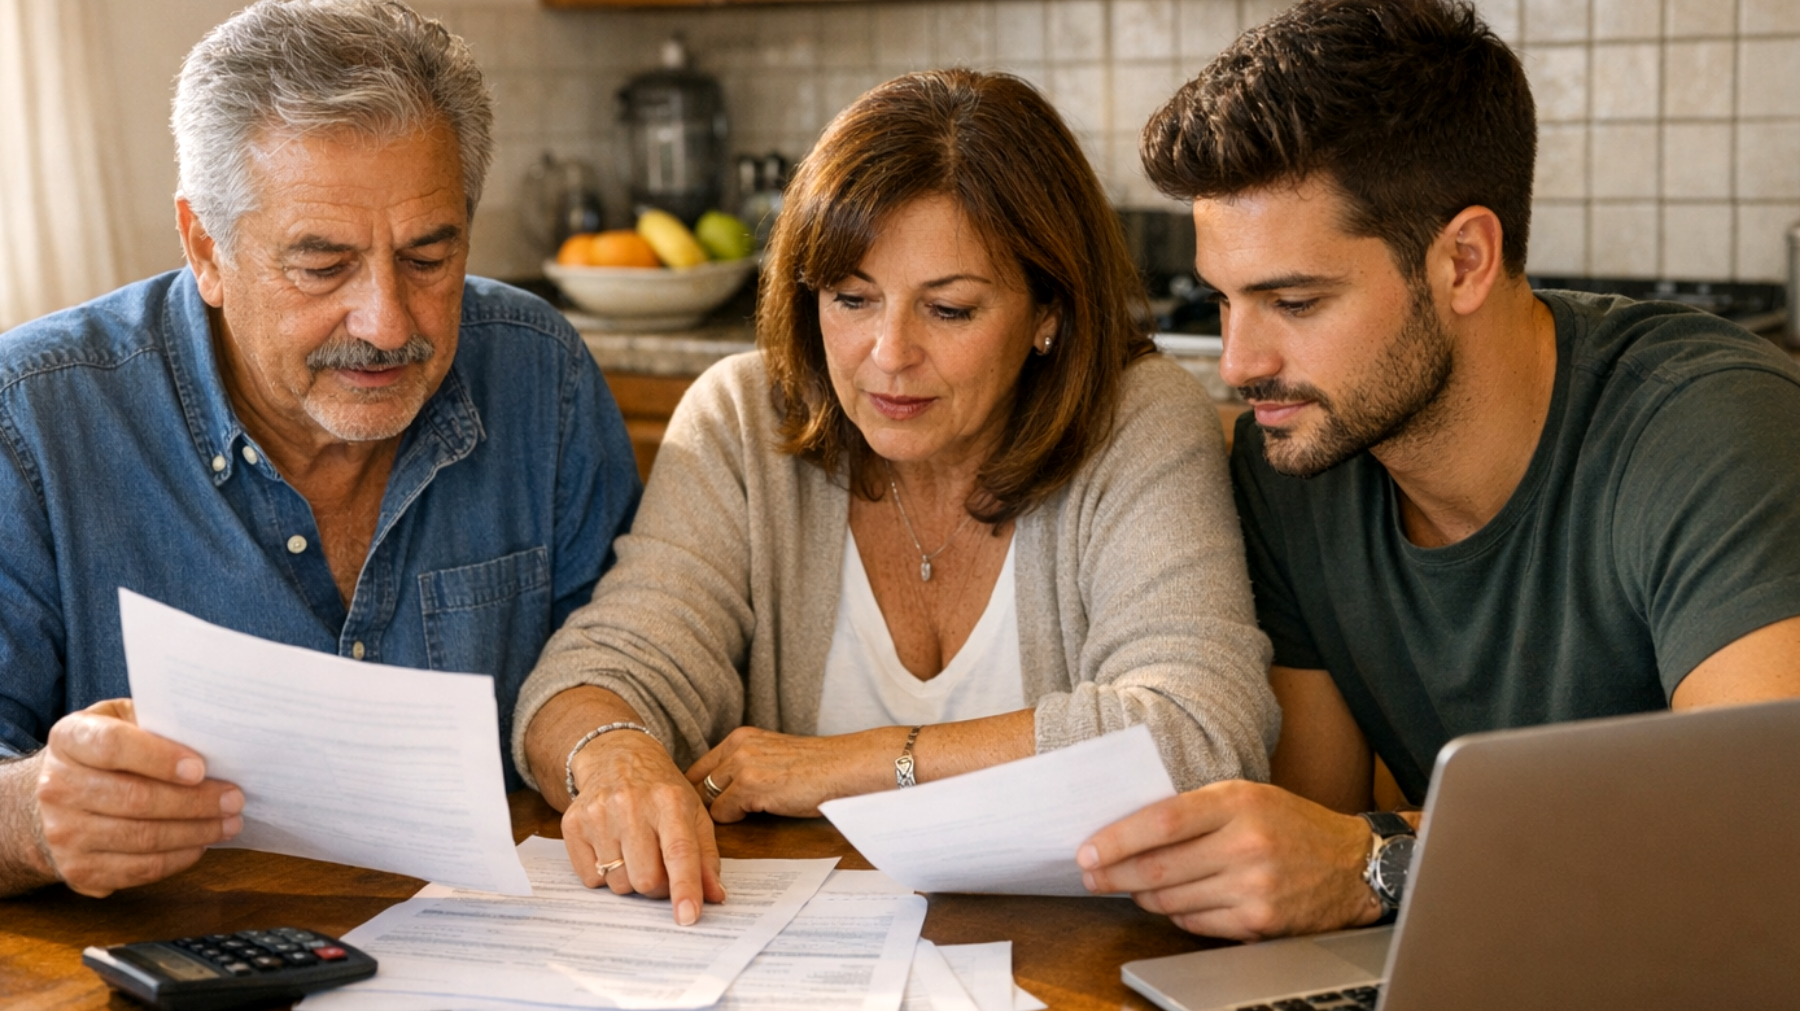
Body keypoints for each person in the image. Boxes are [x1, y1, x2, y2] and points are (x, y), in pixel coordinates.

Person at [1076, 0, 1800, 940]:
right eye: (1222, 300)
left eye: (1294, 301)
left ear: (1463, 260)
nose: (1239, 362)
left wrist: (1379, 862)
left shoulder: (1709, 428)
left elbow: (1764, 829)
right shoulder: (1297, 462)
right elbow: (1310, 847)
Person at [512, 69, 1281, 926]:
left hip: (1074, 959)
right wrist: (614, 754)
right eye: (852, 298)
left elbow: (1198, 735)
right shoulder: (740, 420)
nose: (888, 354)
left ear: (1049, 312)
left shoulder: (1135, 419)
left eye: (949, 309)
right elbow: (588, 677)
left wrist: (856, 763)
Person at [0, 0, 639, 899]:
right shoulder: (32, 417)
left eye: (428, 257)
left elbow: (628, 660)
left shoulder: (542, 374)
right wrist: (33, 817)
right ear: (206, 249)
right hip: (175, 955)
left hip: (511, 945)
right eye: (322, 265)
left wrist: (614, 747)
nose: (387, 323)